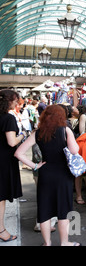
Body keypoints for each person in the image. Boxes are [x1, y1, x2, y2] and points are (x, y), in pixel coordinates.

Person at [15, 105, 81, 246]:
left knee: (44, 210)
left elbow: (18, 153)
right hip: (63, 175)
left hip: (45, 174)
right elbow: (74, 151)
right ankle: (64, 243)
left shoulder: (38, 132)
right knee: (63, 210)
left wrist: (35, 166)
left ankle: (47, 243)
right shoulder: (65, 130)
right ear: (62, 116)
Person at [0, 90, 25, 243]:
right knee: (0, 197)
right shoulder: (8, 118)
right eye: (16, 99)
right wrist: (22, 135)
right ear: (9, 101)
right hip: (3, 162)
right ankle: (1, 230)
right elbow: (12, 142)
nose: (18, 102)